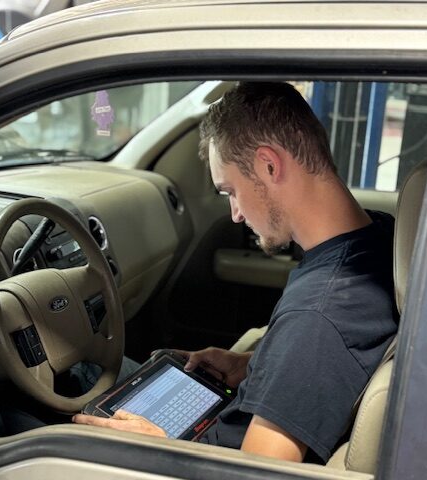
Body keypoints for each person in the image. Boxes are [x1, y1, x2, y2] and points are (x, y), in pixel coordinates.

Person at [73, 81, 399, 464]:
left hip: (191, 463)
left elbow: (254, 474)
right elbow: (316, 363)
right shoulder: (379, 237)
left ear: (269, 165)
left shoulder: (316, 317)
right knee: (87, 371)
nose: (236, 214)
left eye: (230, 191)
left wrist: (158, 446)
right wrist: (255, 366)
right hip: (213, 430)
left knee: (42, 407)